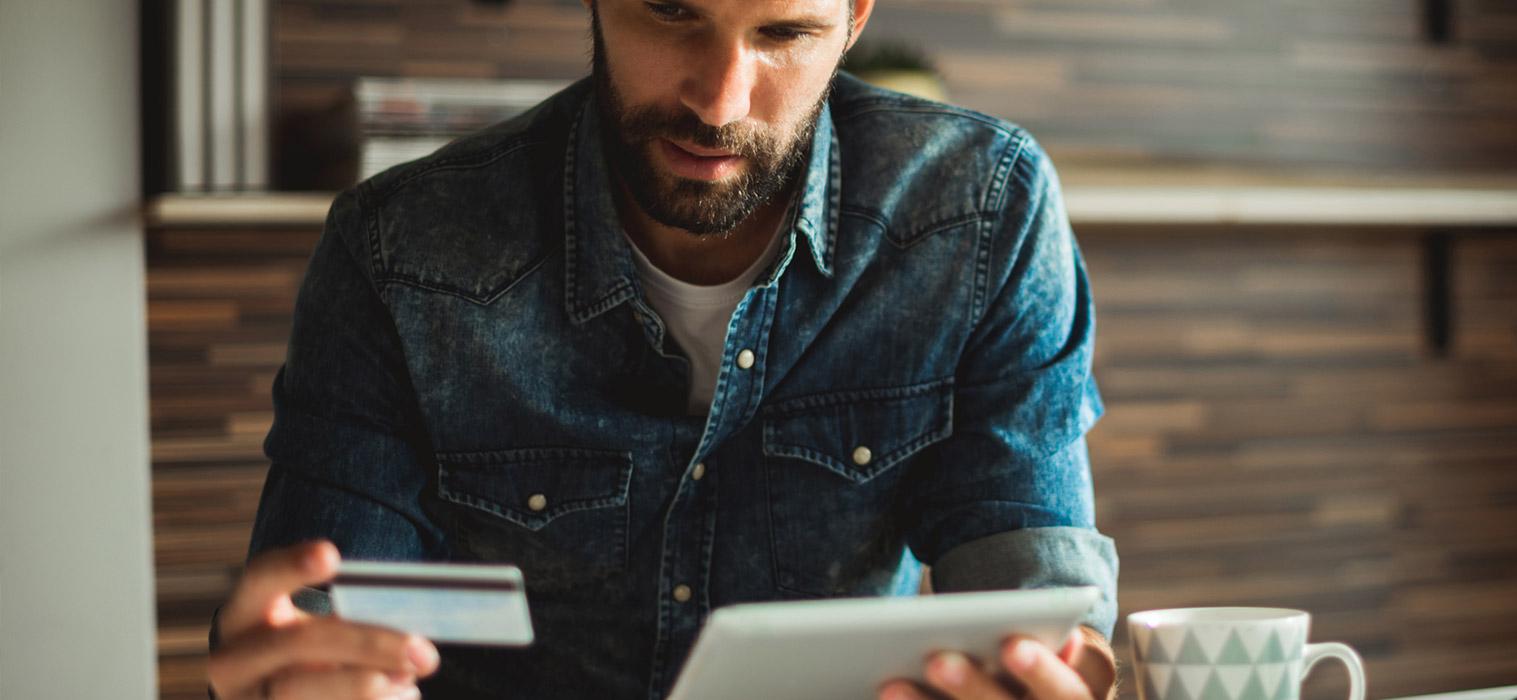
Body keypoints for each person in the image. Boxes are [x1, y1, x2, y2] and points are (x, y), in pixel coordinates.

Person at [205, 0, 1117, 697]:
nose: (718, 101)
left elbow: (1034, 589)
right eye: (672, 11)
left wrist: (1053, 674)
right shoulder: (400, 253)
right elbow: (321, 618)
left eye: (783, 31)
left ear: (854, 22)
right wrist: (296, 668)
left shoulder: (979, 216)